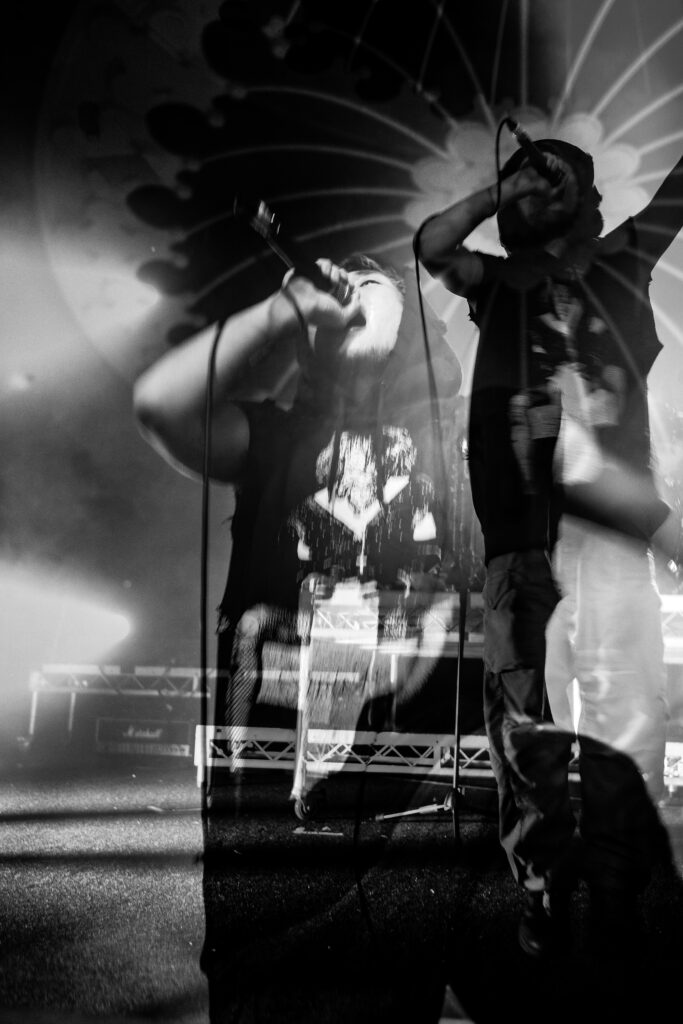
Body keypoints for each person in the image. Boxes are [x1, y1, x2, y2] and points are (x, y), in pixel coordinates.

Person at [415, 135, 683, 958]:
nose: (536, 186)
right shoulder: (496, 283)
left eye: (554, 178)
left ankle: (614, 894)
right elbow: (433, 245)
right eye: (524, 180)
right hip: (519, 546)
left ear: (587, 200)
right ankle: (542, 890)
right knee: (525, 731)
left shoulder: (621, 258)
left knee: (619, 722)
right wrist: (504, 189)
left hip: (610, 545)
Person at [133, 252, 463, 811]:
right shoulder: (277, 437)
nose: (348, 291)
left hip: (419, 777)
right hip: (274, 763)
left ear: (412, 322)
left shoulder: (454, 436)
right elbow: (159, 405)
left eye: (369, 283)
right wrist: (280, 310)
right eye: (341, 286)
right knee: (258, 624)